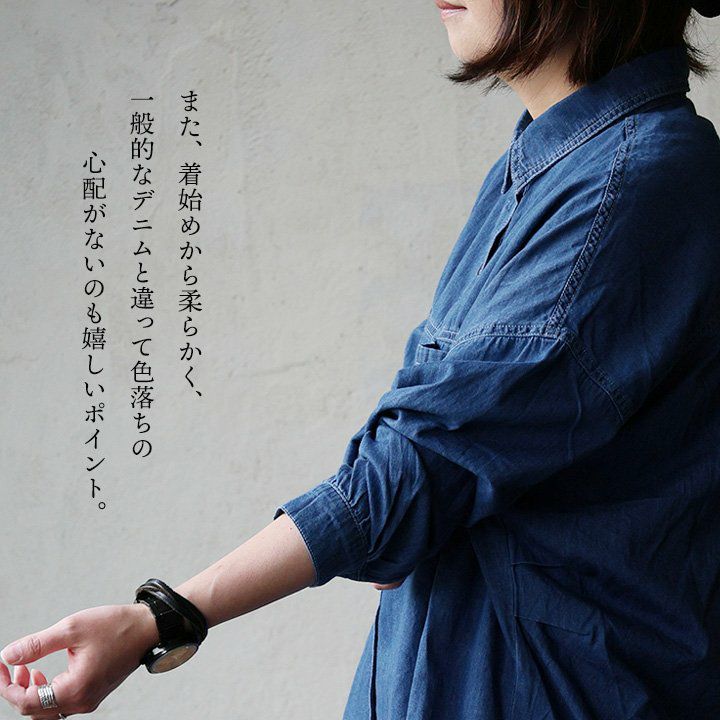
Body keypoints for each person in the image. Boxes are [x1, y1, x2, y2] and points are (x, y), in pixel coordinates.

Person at [3, 1, 720, 718]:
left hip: (541, 688)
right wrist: (406, 513)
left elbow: (418, 465)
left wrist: (161, 618)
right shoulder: (549, 165)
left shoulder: (634, 181)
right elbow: (429, 451)